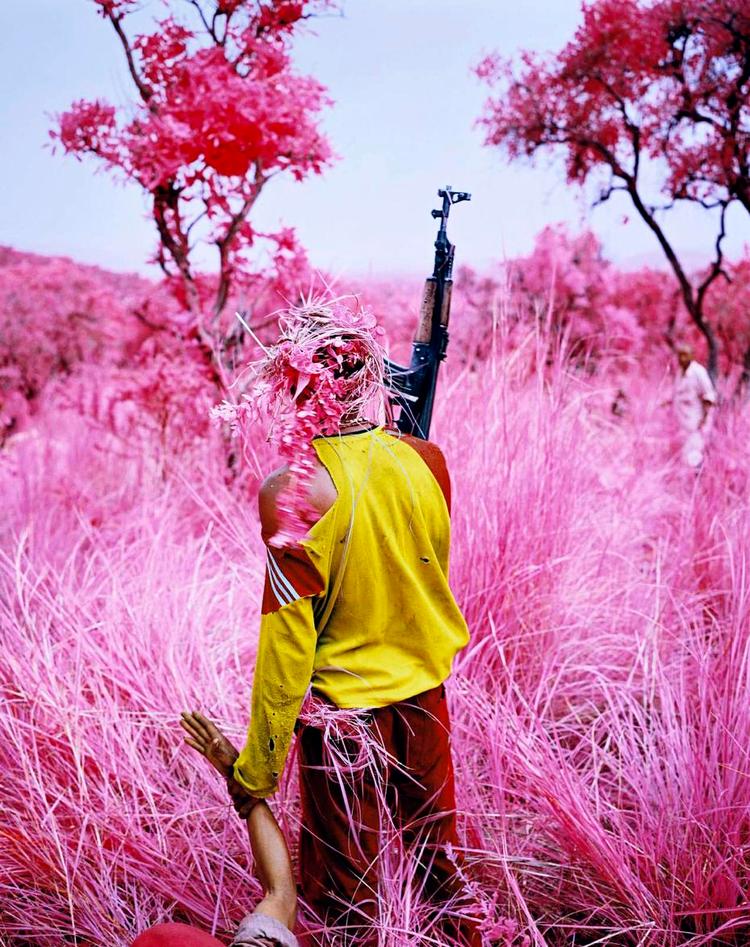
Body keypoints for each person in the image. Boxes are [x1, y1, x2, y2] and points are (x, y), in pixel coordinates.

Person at [187, 301, 481, 946]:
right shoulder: (427, 462)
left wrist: (256, 772)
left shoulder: (293, 492)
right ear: (372, 378)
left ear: (290, 386)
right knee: (445, 871)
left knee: (346, 896)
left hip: (344, 718)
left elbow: (287, 645)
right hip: (426, 697)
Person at [670, 343, 717, 468]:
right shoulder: (680, 372)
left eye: (685, 355)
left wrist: (704, 419)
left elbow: (709, 396)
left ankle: (700, 480)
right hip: (683, 422)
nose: (682, 359)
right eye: (680, 356)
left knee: (694, 454)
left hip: (695, 422)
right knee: (684, 456)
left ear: (692, 356)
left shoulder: (698, 372)